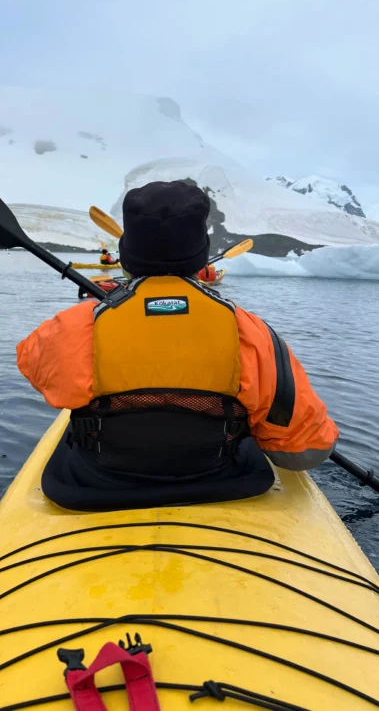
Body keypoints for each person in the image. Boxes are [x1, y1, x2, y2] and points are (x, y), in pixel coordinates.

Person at [17, 181, 338, 510]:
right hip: (217, 478)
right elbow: (303, 453)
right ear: (200, 254)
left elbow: (32, 365)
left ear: (127, 254)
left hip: (99, 481)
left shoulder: (76, 325)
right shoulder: (252, 332)